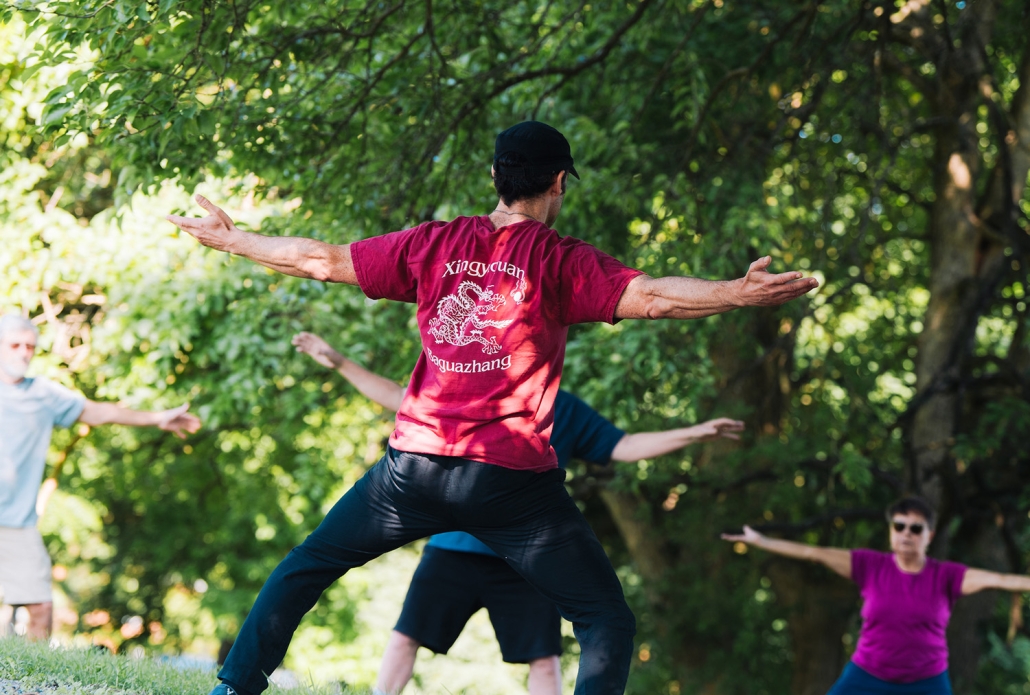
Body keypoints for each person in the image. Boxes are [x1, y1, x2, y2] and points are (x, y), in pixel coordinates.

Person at [167, 119, 817, 695]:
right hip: (511, 488)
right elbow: (653, 296)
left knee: (307, 564)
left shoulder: (434, 243)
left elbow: (320, 260)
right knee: (605, 618)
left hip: (412, 470)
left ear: (495, 178)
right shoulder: (560, 259)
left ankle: (233, 687)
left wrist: (233, 241)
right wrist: (734, 293)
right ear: (558, 181)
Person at [291, 330, 744, 695]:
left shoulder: (561, 406)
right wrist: (339, 361)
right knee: (404, 636)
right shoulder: (467, 388)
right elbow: (397, 396)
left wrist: (695, 433)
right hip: (453, 549)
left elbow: (623, 446)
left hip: (527, 558)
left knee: (544, 658)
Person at [0, 314, 202, 639]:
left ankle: (28, 684)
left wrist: (158, 418)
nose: (24, 352)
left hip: (15, 522)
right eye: (15, 345)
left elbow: (99, 411)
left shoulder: (43, 395)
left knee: (41, 607)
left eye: (30, 347)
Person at [721, 496, 1030, 694]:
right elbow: (811, 551)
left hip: (926, 680)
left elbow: (1001, 579)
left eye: (915, 528)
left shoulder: (947, 576)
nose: (906, 533)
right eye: (899, 526)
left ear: (929, 536)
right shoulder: (869, 565)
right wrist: (761, 540)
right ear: (891, 532)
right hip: (868, 674)